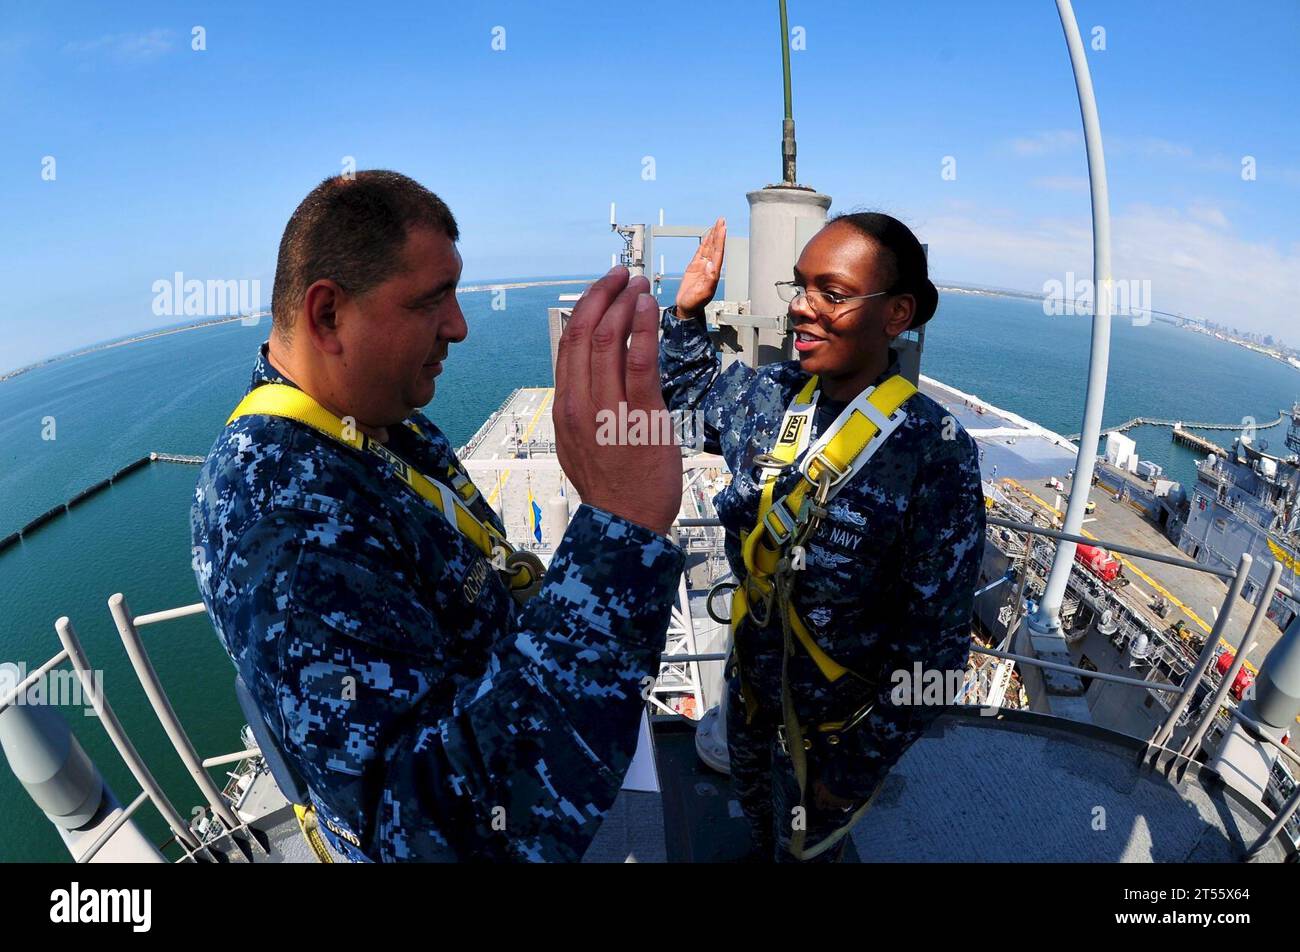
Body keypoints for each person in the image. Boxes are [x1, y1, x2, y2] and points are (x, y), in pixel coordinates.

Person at [192, 171, 685, 862]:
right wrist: (621, 528)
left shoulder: (373, 427)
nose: (458, 325)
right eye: (432, 301)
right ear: (327, 314)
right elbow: (430, 836)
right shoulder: (282, 521)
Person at [660, 211, 985, 862]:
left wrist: (853, 772)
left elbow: (938, 651)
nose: (802, 310)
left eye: (830, 294)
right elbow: (691, 401)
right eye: (799, 287)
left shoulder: (932, 451)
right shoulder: (775, 395)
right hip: (751, 709)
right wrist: (687, 315)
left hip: (831, 746)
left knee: (808, 853)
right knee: (760, 832)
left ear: (896, 314)